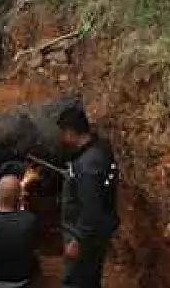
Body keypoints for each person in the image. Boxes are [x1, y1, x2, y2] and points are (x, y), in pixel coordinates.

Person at [57, 105, 120, 288]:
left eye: (63, 133)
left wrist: (77, 241)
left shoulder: (86, 167)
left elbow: (91, 208)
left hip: (86, 238)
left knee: (76, 281)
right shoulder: (100, 149)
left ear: (70, 132)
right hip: (99, 231)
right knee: (91, 278)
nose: (62, 138)